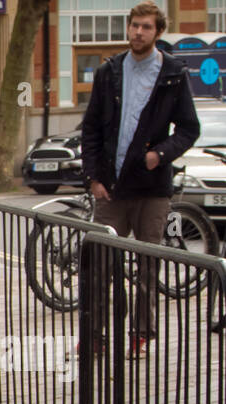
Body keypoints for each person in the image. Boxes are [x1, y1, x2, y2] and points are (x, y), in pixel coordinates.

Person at [81, 1, 200, 351]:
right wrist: (93, 177)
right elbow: (91, 128)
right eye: (134, 25)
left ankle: (141, 334)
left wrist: (159, 155)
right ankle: (95, 335)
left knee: (147, 267)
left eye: (146, 27)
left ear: (158, 32)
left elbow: (189, 128)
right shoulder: (109, 71)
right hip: (111, 187)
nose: (138, 32)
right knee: (100, 265)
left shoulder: (173, 74)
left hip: (152, 189)